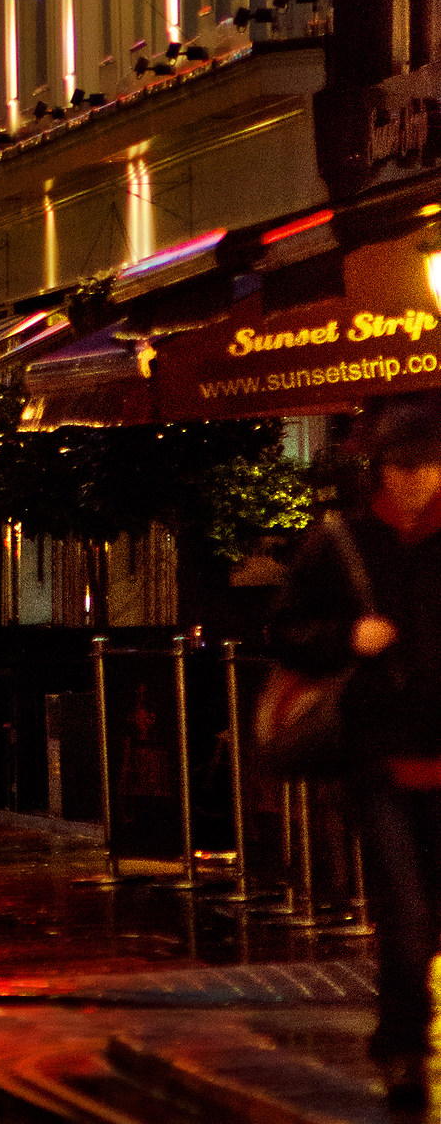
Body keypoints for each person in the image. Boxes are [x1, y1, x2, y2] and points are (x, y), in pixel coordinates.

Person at [271, 396, 441, 1111]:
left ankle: (403, 1032)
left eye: (426, 467)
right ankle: (403, 1044)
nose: (413, 482)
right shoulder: (338, 543)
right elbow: (282, 633)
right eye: (400, 468)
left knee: (429, 914)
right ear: (378, 471)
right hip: (376, 762)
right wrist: (347, 639)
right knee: (402, 917)